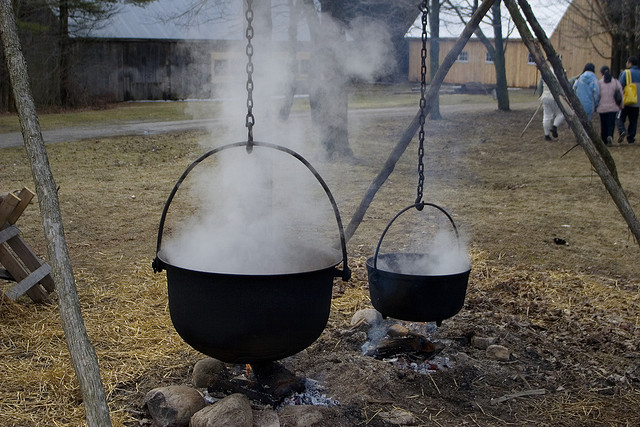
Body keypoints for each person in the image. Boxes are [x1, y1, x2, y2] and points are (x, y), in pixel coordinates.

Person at [596, 65, 623, 146]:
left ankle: (603, 139)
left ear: (601, 73)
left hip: (602, 107)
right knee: (611, 123)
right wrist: (621, 105)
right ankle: (610, 135)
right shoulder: (615, 81)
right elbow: (620, 94)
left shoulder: (599, 83)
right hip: (613, 107)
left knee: (603, 124)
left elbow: (597, 95)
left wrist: (596, 105)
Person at [536, 68, 564, 141]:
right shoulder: (560, 71)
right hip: (555, 96)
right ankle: (554, 126)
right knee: (561, 113)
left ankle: (547, 135)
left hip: (545, 96)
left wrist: (541, 95)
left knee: (547, 116)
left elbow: (539, 85)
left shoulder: (544, 72)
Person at [617, 56, 640, 144]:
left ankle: (622, 130)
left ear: (630, 63)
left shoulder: (626, 73)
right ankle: (631, 138)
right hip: (637, 101)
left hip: (626, 100)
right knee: (633, 120)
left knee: (620, 118)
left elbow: (620, 85)